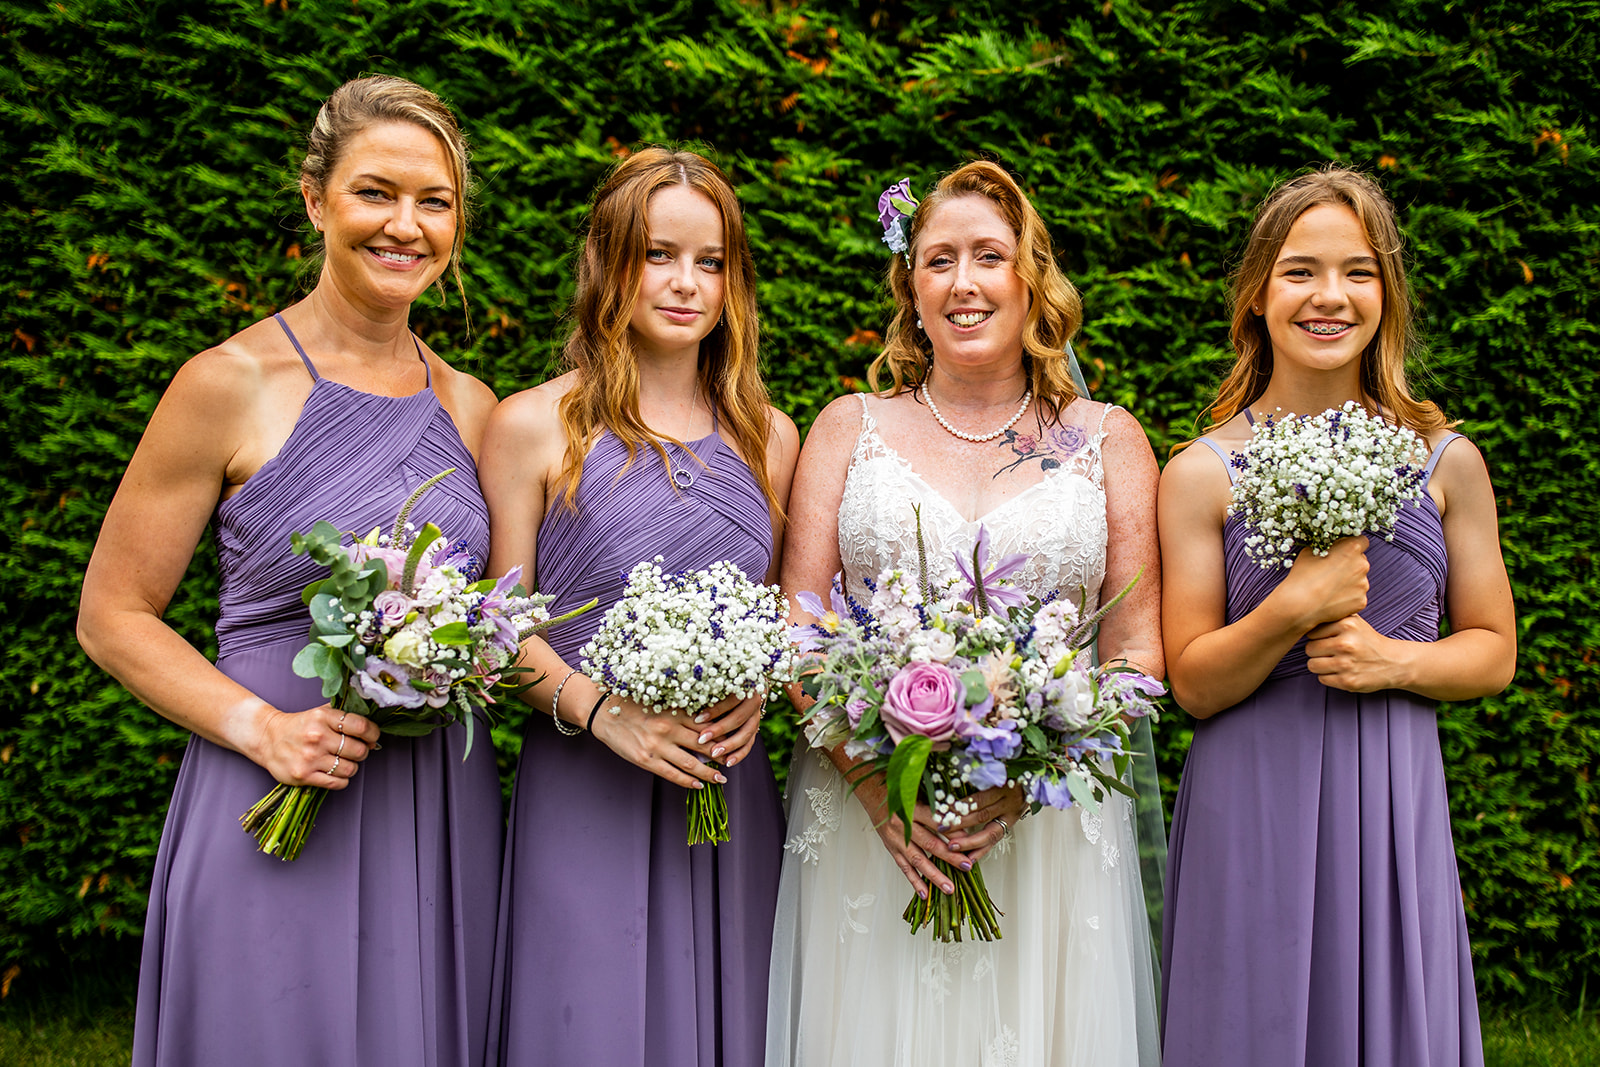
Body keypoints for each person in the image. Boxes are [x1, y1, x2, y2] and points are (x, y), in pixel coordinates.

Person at [76, 75, 503, 1065]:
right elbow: (111, 612)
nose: (405, 225)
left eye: (433, 202)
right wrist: (260, 727)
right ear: (315, 199)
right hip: (267, 792)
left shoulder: (477, 408)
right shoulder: (225, 383)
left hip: (433, 805)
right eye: (374, 192)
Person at [767, 160, 1164, 1067]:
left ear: (1032, 280)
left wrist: (1028, 773)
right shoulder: (847, 427)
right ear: (910, 286)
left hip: (1048, 823)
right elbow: (797, 631)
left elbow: (1138, 653)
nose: (964, 281)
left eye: (990, 255)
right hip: (872, 817)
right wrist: (879, 790)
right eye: (938, 258)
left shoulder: (1108, 438)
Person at [1157, 168, 1516, 1066]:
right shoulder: (1199, 472)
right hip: (1251, 802)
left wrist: (1392, 662)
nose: (1329, 296)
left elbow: (1493, 652)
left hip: (1394, 799)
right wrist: (1292, 610)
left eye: (1358, 272)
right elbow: (1192, 683)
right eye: (1299, 271)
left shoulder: (1447, 460)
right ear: (1256, 297)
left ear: (1386, 297)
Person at [479, 147, 800, 1066]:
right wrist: (602, 712)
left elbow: (783, 613)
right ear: (609, 263)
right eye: (658, 254)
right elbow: (500, 632)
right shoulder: (535, 424)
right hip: (586, 775)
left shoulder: (769, 435)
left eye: (711, 262)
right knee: (586, 1023)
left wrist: (760, 688)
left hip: (724, 785)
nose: (685, 283)